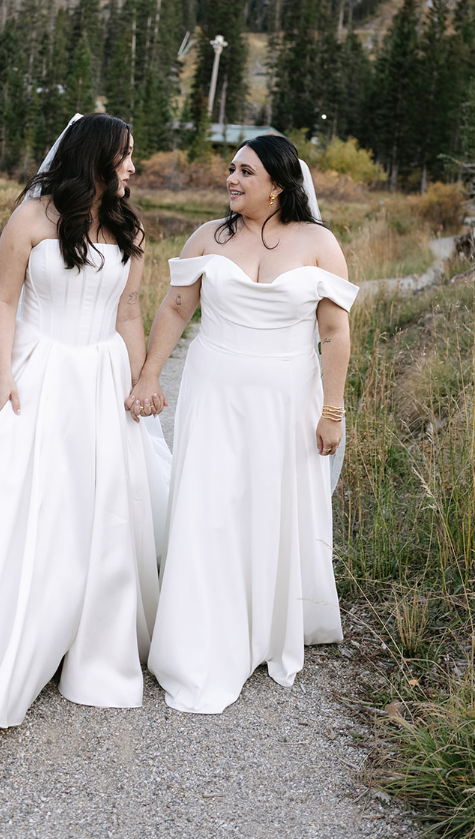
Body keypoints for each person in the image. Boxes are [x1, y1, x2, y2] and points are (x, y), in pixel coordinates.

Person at [0, 113, 170, 727]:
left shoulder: (130, 227)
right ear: (94, 158)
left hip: (100, 378)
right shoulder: (32, 218)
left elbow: (128, 311)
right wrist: (2, 374)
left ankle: (86, 643)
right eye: (125, 155)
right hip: (36, 371)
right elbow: (3, 300)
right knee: (21, 507)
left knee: (97, 509)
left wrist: (140, 378)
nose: (133, 167)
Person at [128, 135, 358, 714]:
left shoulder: (320, 244)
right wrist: (150, 375)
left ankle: (268, 624)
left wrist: (333, 412)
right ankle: (203, 628)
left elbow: (334, 333)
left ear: (279, 184)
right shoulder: (208, 237)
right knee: (210, 502)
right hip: (214, 389)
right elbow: (177, 307)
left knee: (272, 504)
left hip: (287, 397)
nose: (231, 179)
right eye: (231, 169)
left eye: (245, 172)